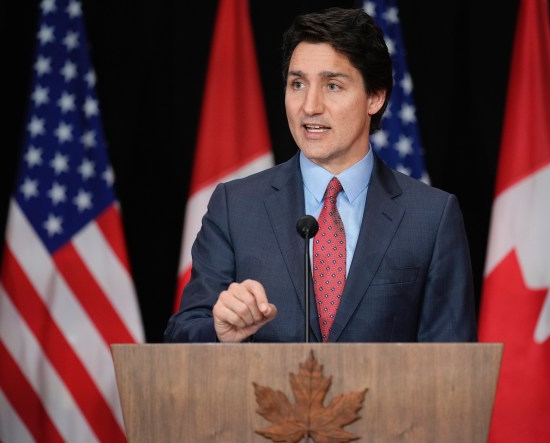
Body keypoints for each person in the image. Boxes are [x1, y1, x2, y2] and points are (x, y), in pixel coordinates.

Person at [164, 7, 477, 343]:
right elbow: (181, 335)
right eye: (297, 83)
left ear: (375, 96)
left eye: (332, 86)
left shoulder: (432, 216)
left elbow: (453, 367)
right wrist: (218, 331)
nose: (310, 106)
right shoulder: (235, 207)